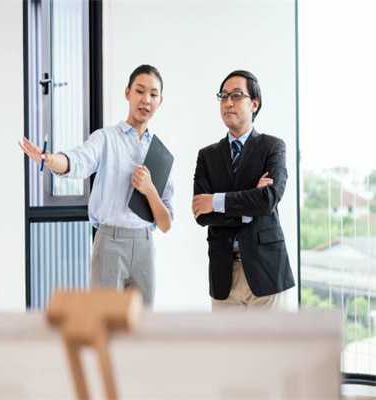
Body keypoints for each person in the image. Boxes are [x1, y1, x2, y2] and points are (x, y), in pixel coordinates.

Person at [19, 64, 173, 307]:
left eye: (153, 94)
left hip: (145, 244)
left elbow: (165, 223)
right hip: (110, 242)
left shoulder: (162, 154)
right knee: (103, 318)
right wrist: (49, 159)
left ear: (160, 101)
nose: (146, 100)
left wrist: (150, 190)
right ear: (127, 93)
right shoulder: (106, 138)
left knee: (142, 323)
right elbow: (77, 161)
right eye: (140, 91)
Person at [192, 70, 295, 310]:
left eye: (237, 95)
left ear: (254, 103)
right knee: (225, 340)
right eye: (223, 96)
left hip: (267, 273)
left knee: (272, 338)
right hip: (223, 276)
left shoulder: (273, 147)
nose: (228, 102)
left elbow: (268, 199)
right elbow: (201, 214)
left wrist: (216, 201)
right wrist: (249, 206)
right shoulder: (207, 155)